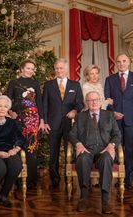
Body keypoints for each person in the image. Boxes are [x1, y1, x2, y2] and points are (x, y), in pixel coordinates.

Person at [69, 91, 121, 214]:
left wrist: (111, 145)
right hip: (86, 149)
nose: (94, 102)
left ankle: (105, 200)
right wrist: (78, 144)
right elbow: (72, 134)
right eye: (90, 100)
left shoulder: (109, 115)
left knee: (107, 159)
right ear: (86, 103)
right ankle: (83, 197)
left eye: (96, 100)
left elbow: (117, 135)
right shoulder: (81, 116)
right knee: (82, 159)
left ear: (100, 101)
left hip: (104, 150)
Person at [42, 58, 84, 189]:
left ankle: (68, 178)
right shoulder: (48, 85)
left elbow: (80, 103)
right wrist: (45, 122)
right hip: (52, 124)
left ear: (66, 69)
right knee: (53, 154)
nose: (59, 71)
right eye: (57, 68)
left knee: (69, 153)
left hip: (69, 125)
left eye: (61, 68)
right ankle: (55, 179)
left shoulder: (75, 85)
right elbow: (44, 105)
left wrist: (75, 111)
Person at [104, 53, 133, 190]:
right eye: (118, 61)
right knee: (116, 149)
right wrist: (113, 112)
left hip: (131, 120)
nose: (121, 64)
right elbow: (107, 99)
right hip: (115, 120)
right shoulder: (110, 79)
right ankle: (118, 176)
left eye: (124, 61)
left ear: (129, 62)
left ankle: (129, 180)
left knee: (130, 150)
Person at [6, 59, 43, 189]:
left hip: (33, 120)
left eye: (32, 69)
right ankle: (15, 180)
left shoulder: (35, 83)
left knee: (31, 150)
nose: (30, 71)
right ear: (22, 69)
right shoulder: (13, 83)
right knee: (16, 148)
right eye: (28, 68)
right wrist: (10, 111)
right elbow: (7, 100)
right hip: (17, 120)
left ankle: (31, 181)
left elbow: (40, 103)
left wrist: (42, 120)